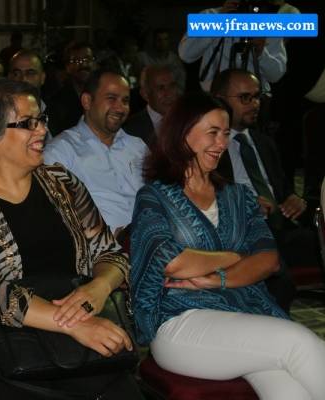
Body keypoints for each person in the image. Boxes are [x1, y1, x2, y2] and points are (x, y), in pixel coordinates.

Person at [0, 79, 143, 400]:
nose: (42, 130)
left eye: (41, 120)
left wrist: (97, 288)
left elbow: (110, 254)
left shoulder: (64, 183)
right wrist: (71, 324)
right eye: (28, 123)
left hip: (76, 318)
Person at [130, 91, 325, 400]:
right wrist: (237, 256)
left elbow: (269, 260)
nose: (222, 143)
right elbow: (171, 262)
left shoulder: (239, 196)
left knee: (290, 390)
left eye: (225, 133)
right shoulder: (155, 197)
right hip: (180, 320)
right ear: (182, 133)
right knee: (298, 343)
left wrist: (217, 279)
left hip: (244, 311)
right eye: (213, 132)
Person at [213, 69, 318, 313]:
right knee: (279, 281)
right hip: (245, 235)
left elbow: (284, 191)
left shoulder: (264, 142)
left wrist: (296, 200)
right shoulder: (212, 146)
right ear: (220, 99)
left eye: (257, 96)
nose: (255, 104)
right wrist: (245, 204)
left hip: (282, 228)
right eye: (245, 98)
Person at [44, 69, 147, 233]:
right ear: (87, 101)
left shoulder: (138, 146)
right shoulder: (60, 152)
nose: (120, 108)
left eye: (125, 101)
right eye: (111, 98)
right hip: (103, 245)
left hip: (152, 238)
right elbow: (54, 216)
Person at [178, 0, 286, 92]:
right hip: (215, 98)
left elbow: (276, 75)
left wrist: (261, 54)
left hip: (252, 98)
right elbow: (185, 55)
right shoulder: (210, 15)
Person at [46, 42, 96, 135]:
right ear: (67, 67)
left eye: (87, 59)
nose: (83, 64)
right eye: (76, 61)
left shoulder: (103, 96)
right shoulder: (57, 103)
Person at [124, 64, 180, 148]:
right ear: (145, 94)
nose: (169, 94)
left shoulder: (189, 118)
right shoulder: (130, 130)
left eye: (172, 86)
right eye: (161, 88)